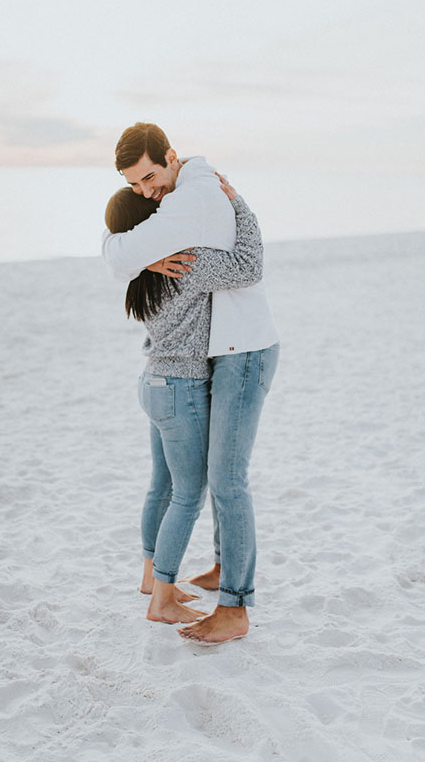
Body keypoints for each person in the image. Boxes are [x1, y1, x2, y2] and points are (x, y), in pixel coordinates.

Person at [102, 122, 279, 645]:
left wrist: (138, 255)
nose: (146, 191)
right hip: (184, 380)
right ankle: (177, 586)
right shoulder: (184, 259)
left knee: (209, 483)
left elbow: (249, 267)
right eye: (137, 187)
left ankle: (206, 592)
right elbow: (242, 263)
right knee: (197, 488)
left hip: (178, 373)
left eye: (149, 177)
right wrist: (240, 209)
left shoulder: (162, 262)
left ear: (171, 157)